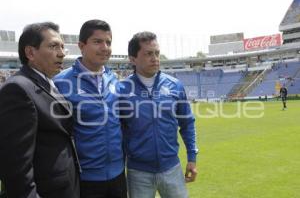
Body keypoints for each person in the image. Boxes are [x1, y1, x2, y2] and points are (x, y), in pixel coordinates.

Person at [0, 22, 80, 198]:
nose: (61, 53)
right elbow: (15, 166)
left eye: (62, 47)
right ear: (30, 52)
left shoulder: (47, 81)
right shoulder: (17, 89)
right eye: (53, 46)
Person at [120, 31, 198, 198]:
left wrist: (192, 157)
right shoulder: (121, 90)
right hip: (138, 172)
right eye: (148, 54)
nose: (155, 58)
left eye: (156, 53)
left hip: (172, 169)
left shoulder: (175, 85)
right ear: (133, 59)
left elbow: (187, 123)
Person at [54, 19, 127, 198]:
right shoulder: (60, 83)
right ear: (81, 45)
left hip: (118, 175)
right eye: (97, 42)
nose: (105, 47)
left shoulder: (114, 80)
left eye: (108, 42)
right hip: (85, 178)